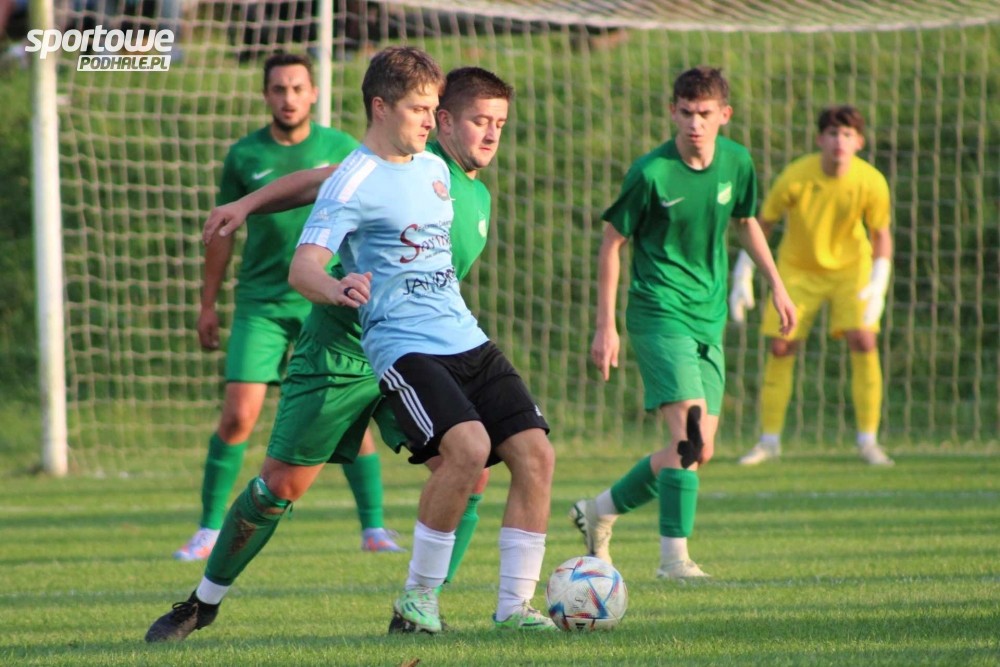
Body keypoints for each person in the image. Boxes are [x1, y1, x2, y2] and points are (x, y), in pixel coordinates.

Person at [145, 49, 551, 642]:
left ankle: (423, 606)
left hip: (423, 350)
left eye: (500, 124)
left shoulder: (456, 184)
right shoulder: (412, 157)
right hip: (344, 348)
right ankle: (201, 603)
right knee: (282, 485)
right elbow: (325, 182)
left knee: (469, 466)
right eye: (476, 120)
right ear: (442, 121)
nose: (490, 134)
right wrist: (248, 204)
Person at [174, 52, 404, 562]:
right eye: (279, 89)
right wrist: (207, 305)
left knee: (346, 413)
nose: (288, 98)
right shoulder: (244, 156)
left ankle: (374, 527)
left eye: (298, 88)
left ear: (313, 93)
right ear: (266, 95)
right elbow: (222, 234)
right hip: (262, 302)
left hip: (326, 298)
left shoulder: (341, 148)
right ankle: (208, 530)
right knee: (238, 416)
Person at [570, 66, 796, 579]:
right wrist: (606, 326)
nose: (696, 123)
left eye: (705, 114)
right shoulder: (651, 173)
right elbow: (612, 242)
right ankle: (674, 560)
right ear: (672, 111)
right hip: (658, 311)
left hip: (707, 316)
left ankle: (599, 510)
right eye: (687, 112)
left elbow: (746, 222)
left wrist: (777, 286)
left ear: (725, 115)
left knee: (697, 450)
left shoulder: (737, 162)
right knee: (689, 435)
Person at [731, 105, 894, 466]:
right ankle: (769, 441)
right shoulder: (796, 176)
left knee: (864, 340)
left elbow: (881, 234)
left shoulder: (871, 181)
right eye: (833, 133)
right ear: (820, 139)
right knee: (781, 346)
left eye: (848, 135)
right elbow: (763, 224)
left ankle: (868, 440)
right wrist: (743, 274)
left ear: (859, 142)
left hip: (851, 269)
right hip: (798, 269)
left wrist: (879, 283)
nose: (840, 141)